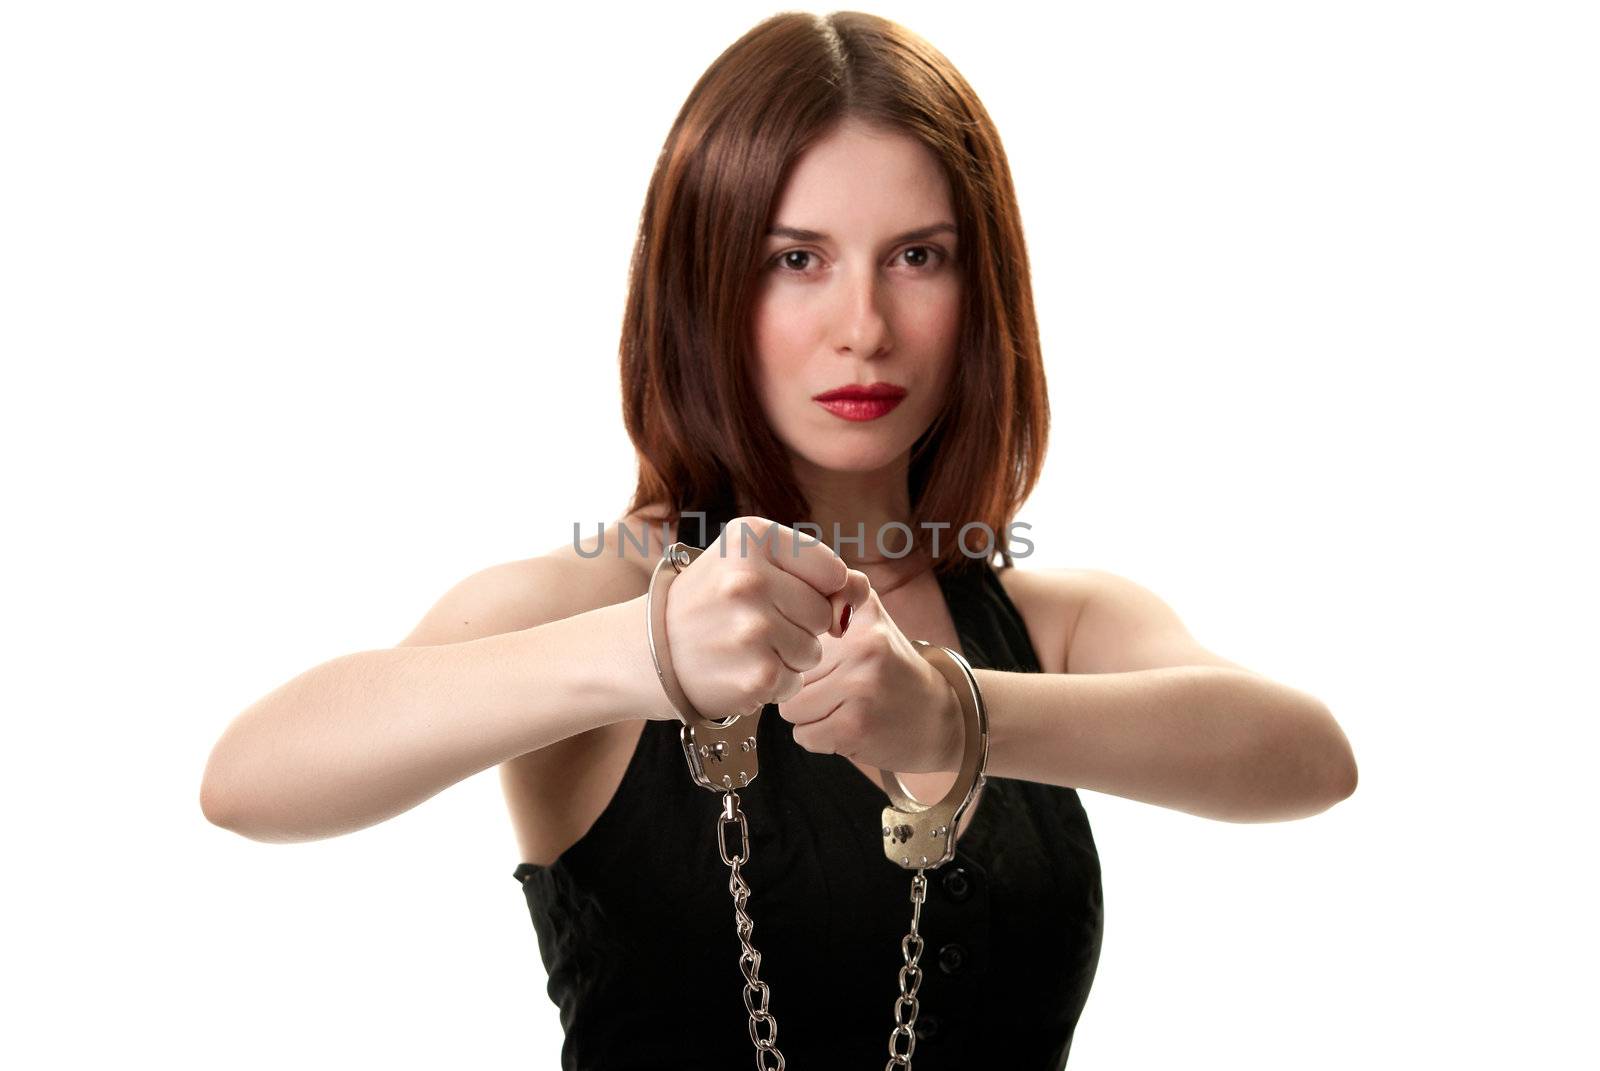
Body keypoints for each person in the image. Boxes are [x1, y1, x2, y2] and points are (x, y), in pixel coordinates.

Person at [200, 10, 1358, 1069]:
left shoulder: (1056, 623)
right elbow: (249, 783)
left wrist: (952, 714)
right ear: (703, 288)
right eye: (794, 259)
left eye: (918, 256)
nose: (864, 327)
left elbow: (1306, 760)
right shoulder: (583, 596)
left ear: (980, 287)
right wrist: (650, 652)